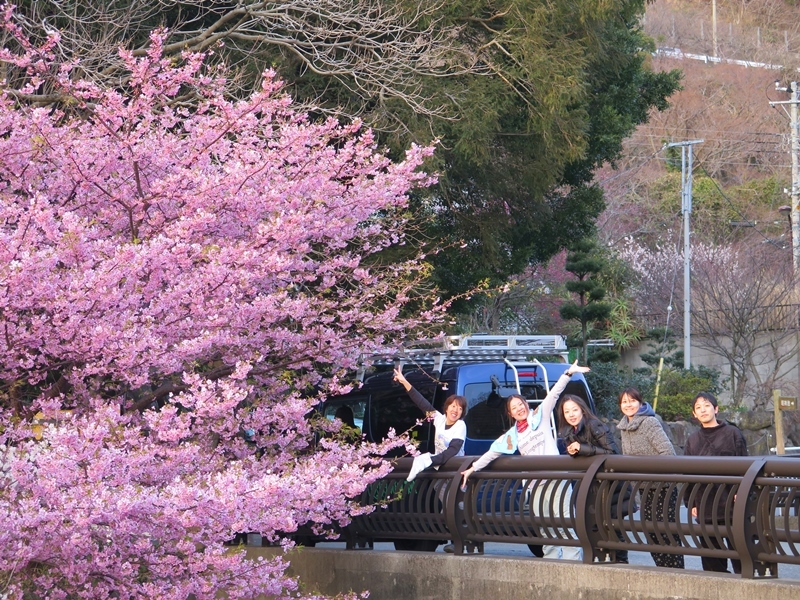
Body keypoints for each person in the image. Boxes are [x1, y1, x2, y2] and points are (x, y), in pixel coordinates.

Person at [460, 361, 590, 561]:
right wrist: (472, 468)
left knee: (565, 521)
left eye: (520, 404)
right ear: (510, 414)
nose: (519, 408)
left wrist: (568, 373)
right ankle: (551, 560)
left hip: (556, 479)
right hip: (534, 484)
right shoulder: (513, 435)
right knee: (545, 525)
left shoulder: (540, 415)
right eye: (514, 408)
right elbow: (492, 452)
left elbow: (554, 393)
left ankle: (573, 560)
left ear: (526, 404)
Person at [616, 388, 685, 569]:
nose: (628, 405)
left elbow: (668, 452)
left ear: (640, 402)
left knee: (667, 533)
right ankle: (662, 571)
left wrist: (649, 473)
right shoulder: (624, 427)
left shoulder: (649, 422)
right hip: (643, 487)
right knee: (650, 532)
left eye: (632, 400)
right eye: (624, 401)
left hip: (663, 487)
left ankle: (676, 573)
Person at [558, 394, 632, 563]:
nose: (571, 414)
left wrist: (582, 448)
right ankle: (603, 562)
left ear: (582, 409)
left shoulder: (594, 425)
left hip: (610, 487)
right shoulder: (569, 431)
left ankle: (621, 564)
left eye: (575, 410)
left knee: (612, 528)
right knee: (594, 527)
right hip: (592, 488)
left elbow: (612, 453)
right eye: (567, 411)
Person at [683, 391, 748, 574]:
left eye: (707, 406)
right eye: (698, 407)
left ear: (716, 409)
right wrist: (691, 502)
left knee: (741, 555)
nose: (703, 410)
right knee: (712, 562)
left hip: (732, 501)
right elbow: (688, 473)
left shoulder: (732, 433)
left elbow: (744, 465)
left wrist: (740, 491)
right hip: (705, 502)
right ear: (694, 414)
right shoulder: (692, 440)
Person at [392, 367, 467, 482]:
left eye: (460, 408)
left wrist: (430, 460)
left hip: (455, 470)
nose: (455, 410)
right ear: (446, 408)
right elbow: (422, 403)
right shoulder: (440, 420)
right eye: (453, 406)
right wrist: (404, 381)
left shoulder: (460, 425)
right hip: (441, 470)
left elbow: (453, 450)